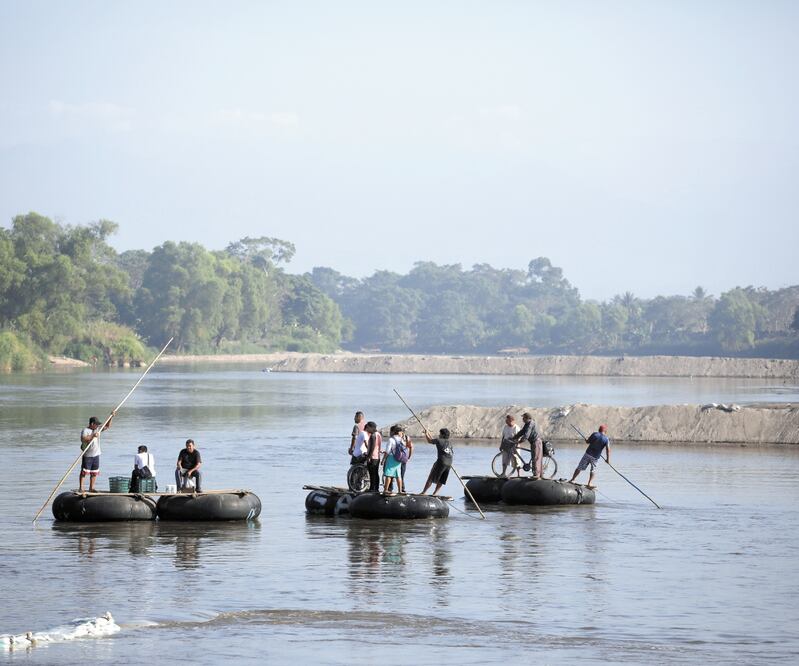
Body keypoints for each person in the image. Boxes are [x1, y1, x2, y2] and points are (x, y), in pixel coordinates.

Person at [79, 413, 114, 493]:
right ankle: (81, 487)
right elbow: (83, 439)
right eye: (96, 424)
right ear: (92, 424)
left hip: (96, 454)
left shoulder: (97, 429)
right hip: (88, 455)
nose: (97, 426)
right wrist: (92, 436)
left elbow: (107, 426)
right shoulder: (85, 430)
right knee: (84, 472)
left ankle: (91, 488)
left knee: (94, 472)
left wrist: (111, 417)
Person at [569, 424, 611, 489]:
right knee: (593, 470)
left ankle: (573, 479)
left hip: (588, 454)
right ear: (605, 431)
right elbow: (608, 450)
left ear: (599, 429)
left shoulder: (595, 434)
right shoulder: (606, 439)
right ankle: (589, 483)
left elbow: (588, 441)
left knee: (579, 467)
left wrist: (586, 440)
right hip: (595, 457)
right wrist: (608, 460)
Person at [420, 428, 454, 496]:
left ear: (442, 435)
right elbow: (451, 452)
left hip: (441, 461)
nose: (439, 435)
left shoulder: (438, 440)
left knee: (431, 478)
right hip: (449, 462)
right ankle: (435, 493)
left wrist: (426, 433)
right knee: (442, 480)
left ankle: (423, 492)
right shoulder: (450, 442)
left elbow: (429, 441)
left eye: (440, 433)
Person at [511, 412, 543, 479]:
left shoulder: (530, 423)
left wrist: (519, 441)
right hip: (532, 442)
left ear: (527, 418)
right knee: (534, 457)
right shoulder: (527, 424)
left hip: (536, 441)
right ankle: (535, 473)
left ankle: (536, 475)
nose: (522, 419)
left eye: (523, 418)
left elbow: (526, 435)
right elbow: (522, 432)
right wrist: (514, 437)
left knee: (536, 458)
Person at [382, 425, 408, 495]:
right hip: (398, 459)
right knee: (398, 475)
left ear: (393, 432)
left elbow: (387, 451)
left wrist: (383, 460)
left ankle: (386, 490)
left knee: (388, 474)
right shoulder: (401, 439)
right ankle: (400, 491)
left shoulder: (391, 439)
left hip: (391, 458)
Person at [364, 422, 382, 492]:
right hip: (377, 456)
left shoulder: (373, 435)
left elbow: (372, 447)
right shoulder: (378, 434)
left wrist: (369, 457)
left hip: (373, 457)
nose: (367, 429)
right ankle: (376, 488)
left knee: (372, 473)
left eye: (368, 428)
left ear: (372, 428)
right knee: (375, 473)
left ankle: (372, 488)